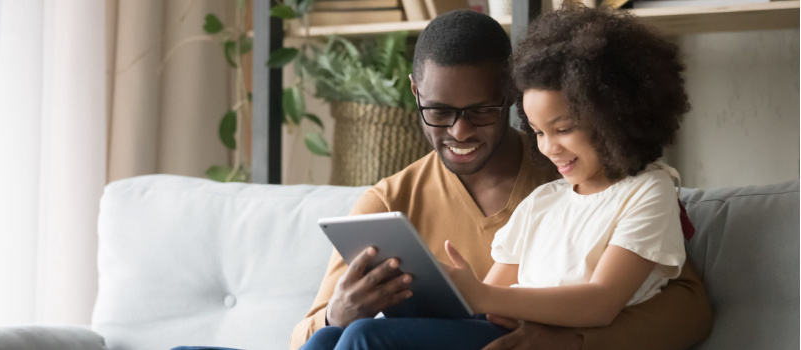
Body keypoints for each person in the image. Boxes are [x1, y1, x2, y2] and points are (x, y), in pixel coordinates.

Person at [290, 8, 713, 350]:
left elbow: (688, 310)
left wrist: (574, 341)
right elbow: (306, 338)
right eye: (438, 112)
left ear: (509, 94)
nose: (459, 131)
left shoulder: (579, 175)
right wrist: (338, 312)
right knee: (337, 335)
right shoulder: (388, 202)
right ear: (416, 92)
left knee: (367, 338)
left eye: (481, 111)